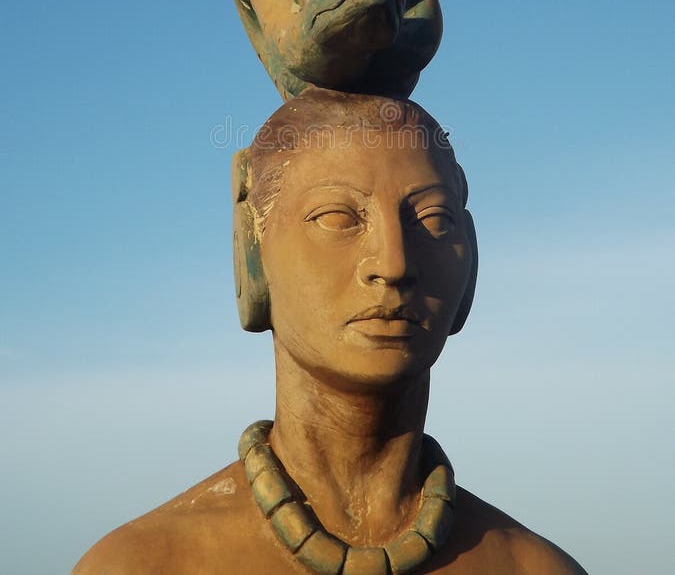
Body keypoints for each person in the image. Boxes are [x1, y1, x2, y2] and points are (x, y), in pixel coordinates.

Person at [73, 89, 588, 574]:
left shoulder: (531, 567)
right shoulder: (142, 564)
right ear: (252, 254)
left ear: (471, 260)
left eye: (432, 220)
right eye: (338, 217)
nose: (392, 263)